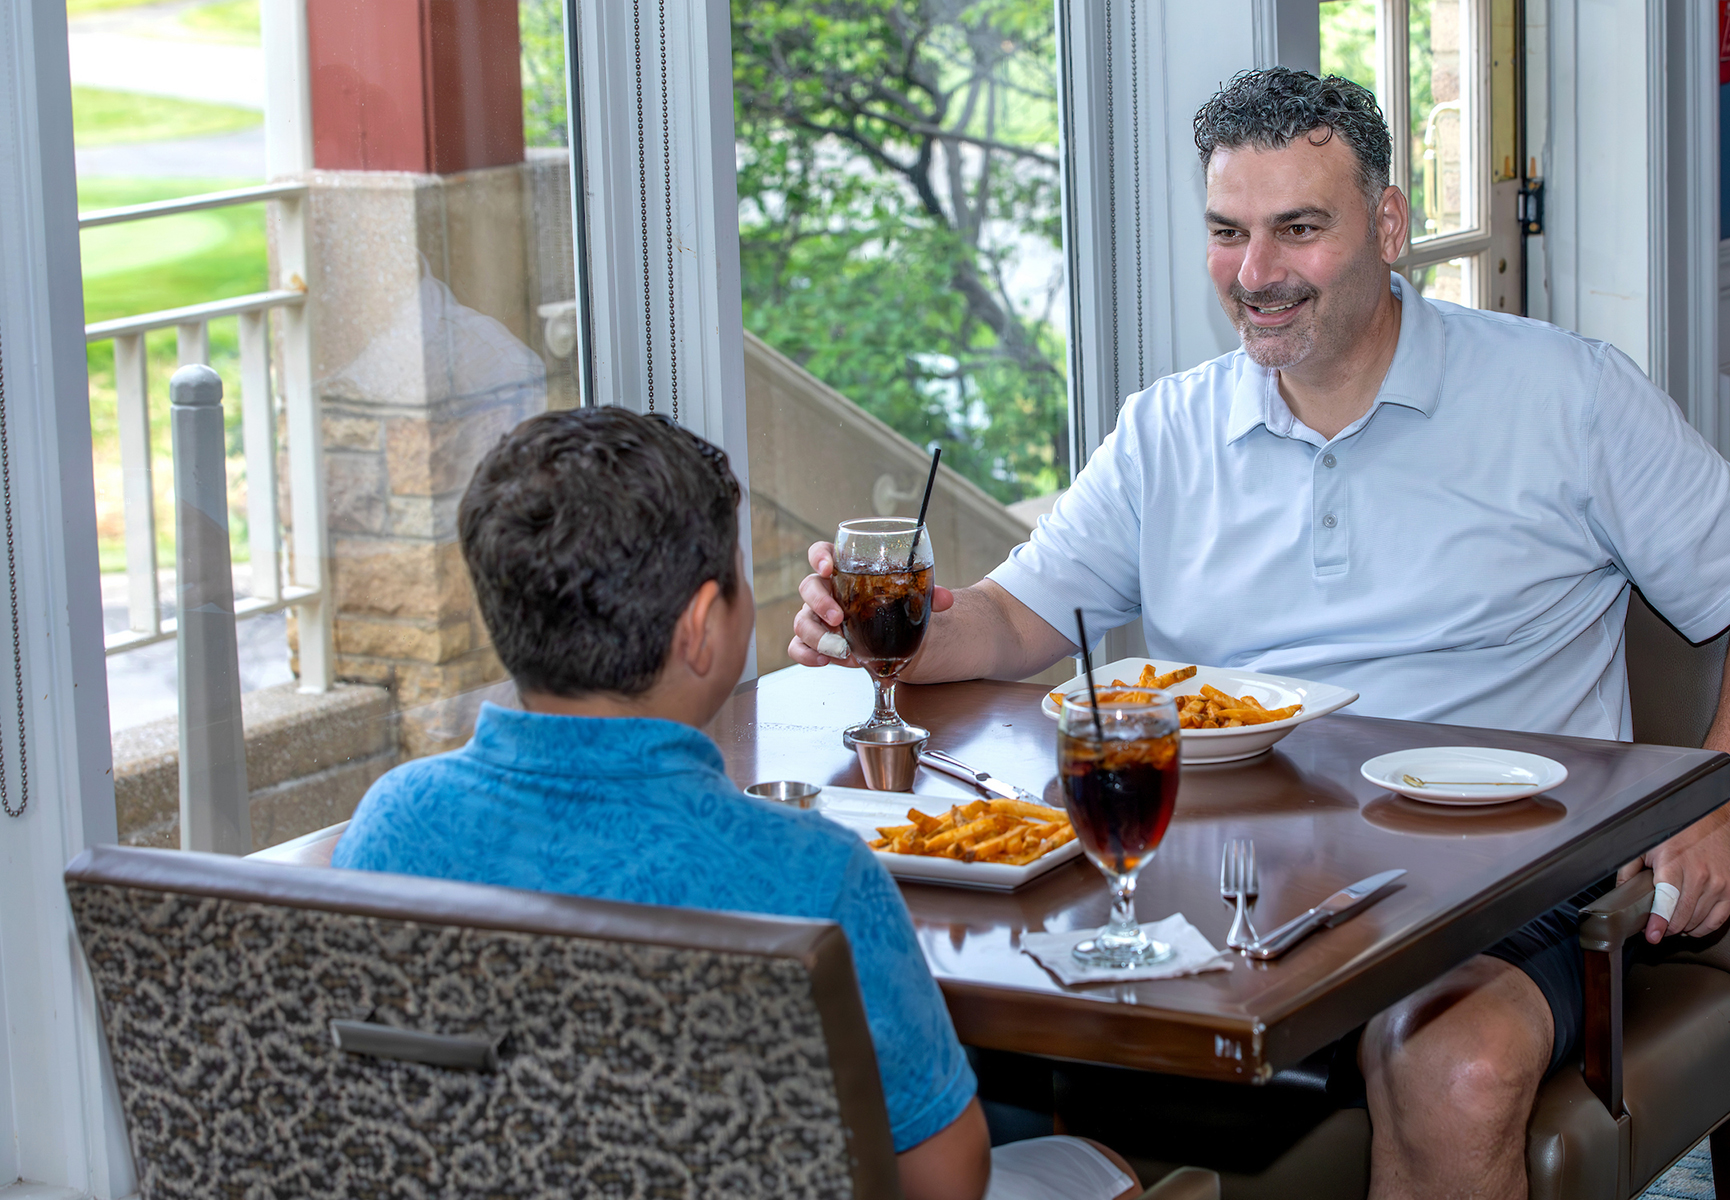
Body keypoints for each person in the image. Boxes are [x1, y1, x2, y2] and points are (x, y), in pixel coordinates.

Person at [789, 68, 1730, 1199]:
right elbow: (1008, 621)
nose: (1256, 274)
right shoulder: (1166, 429)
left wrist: (1715, 807)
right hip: (1222, 883)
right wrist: (895, 637)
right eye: (1227, 233)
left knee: (1454, 1070)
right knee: (917, 990)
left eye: (1298, 229)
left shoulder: (1567, 395)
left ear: (1388, 225)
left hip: (1509, 883)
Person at [331, 407, 1143, 1200]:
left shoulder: (393, 825)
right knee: (1099, 1162)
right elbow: (946, 1178)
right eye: (739, 574)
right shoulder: (809, 875)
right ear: (700, 627)